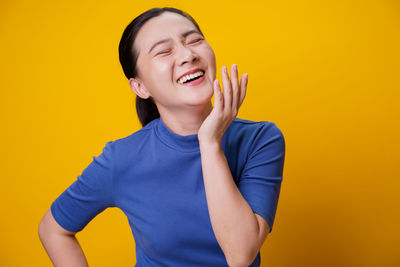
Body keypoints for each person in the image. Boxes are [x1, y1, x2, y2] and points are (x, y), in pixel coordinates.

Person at [38, 7, 286, 267]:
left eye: (194, 41)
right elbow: (53, 229)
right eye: (164, 51)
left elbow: (241, 254)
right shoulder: (122, 158)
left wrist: (210, 143)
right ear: (140, 87)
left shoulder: (260, 139)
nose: (188, 55)